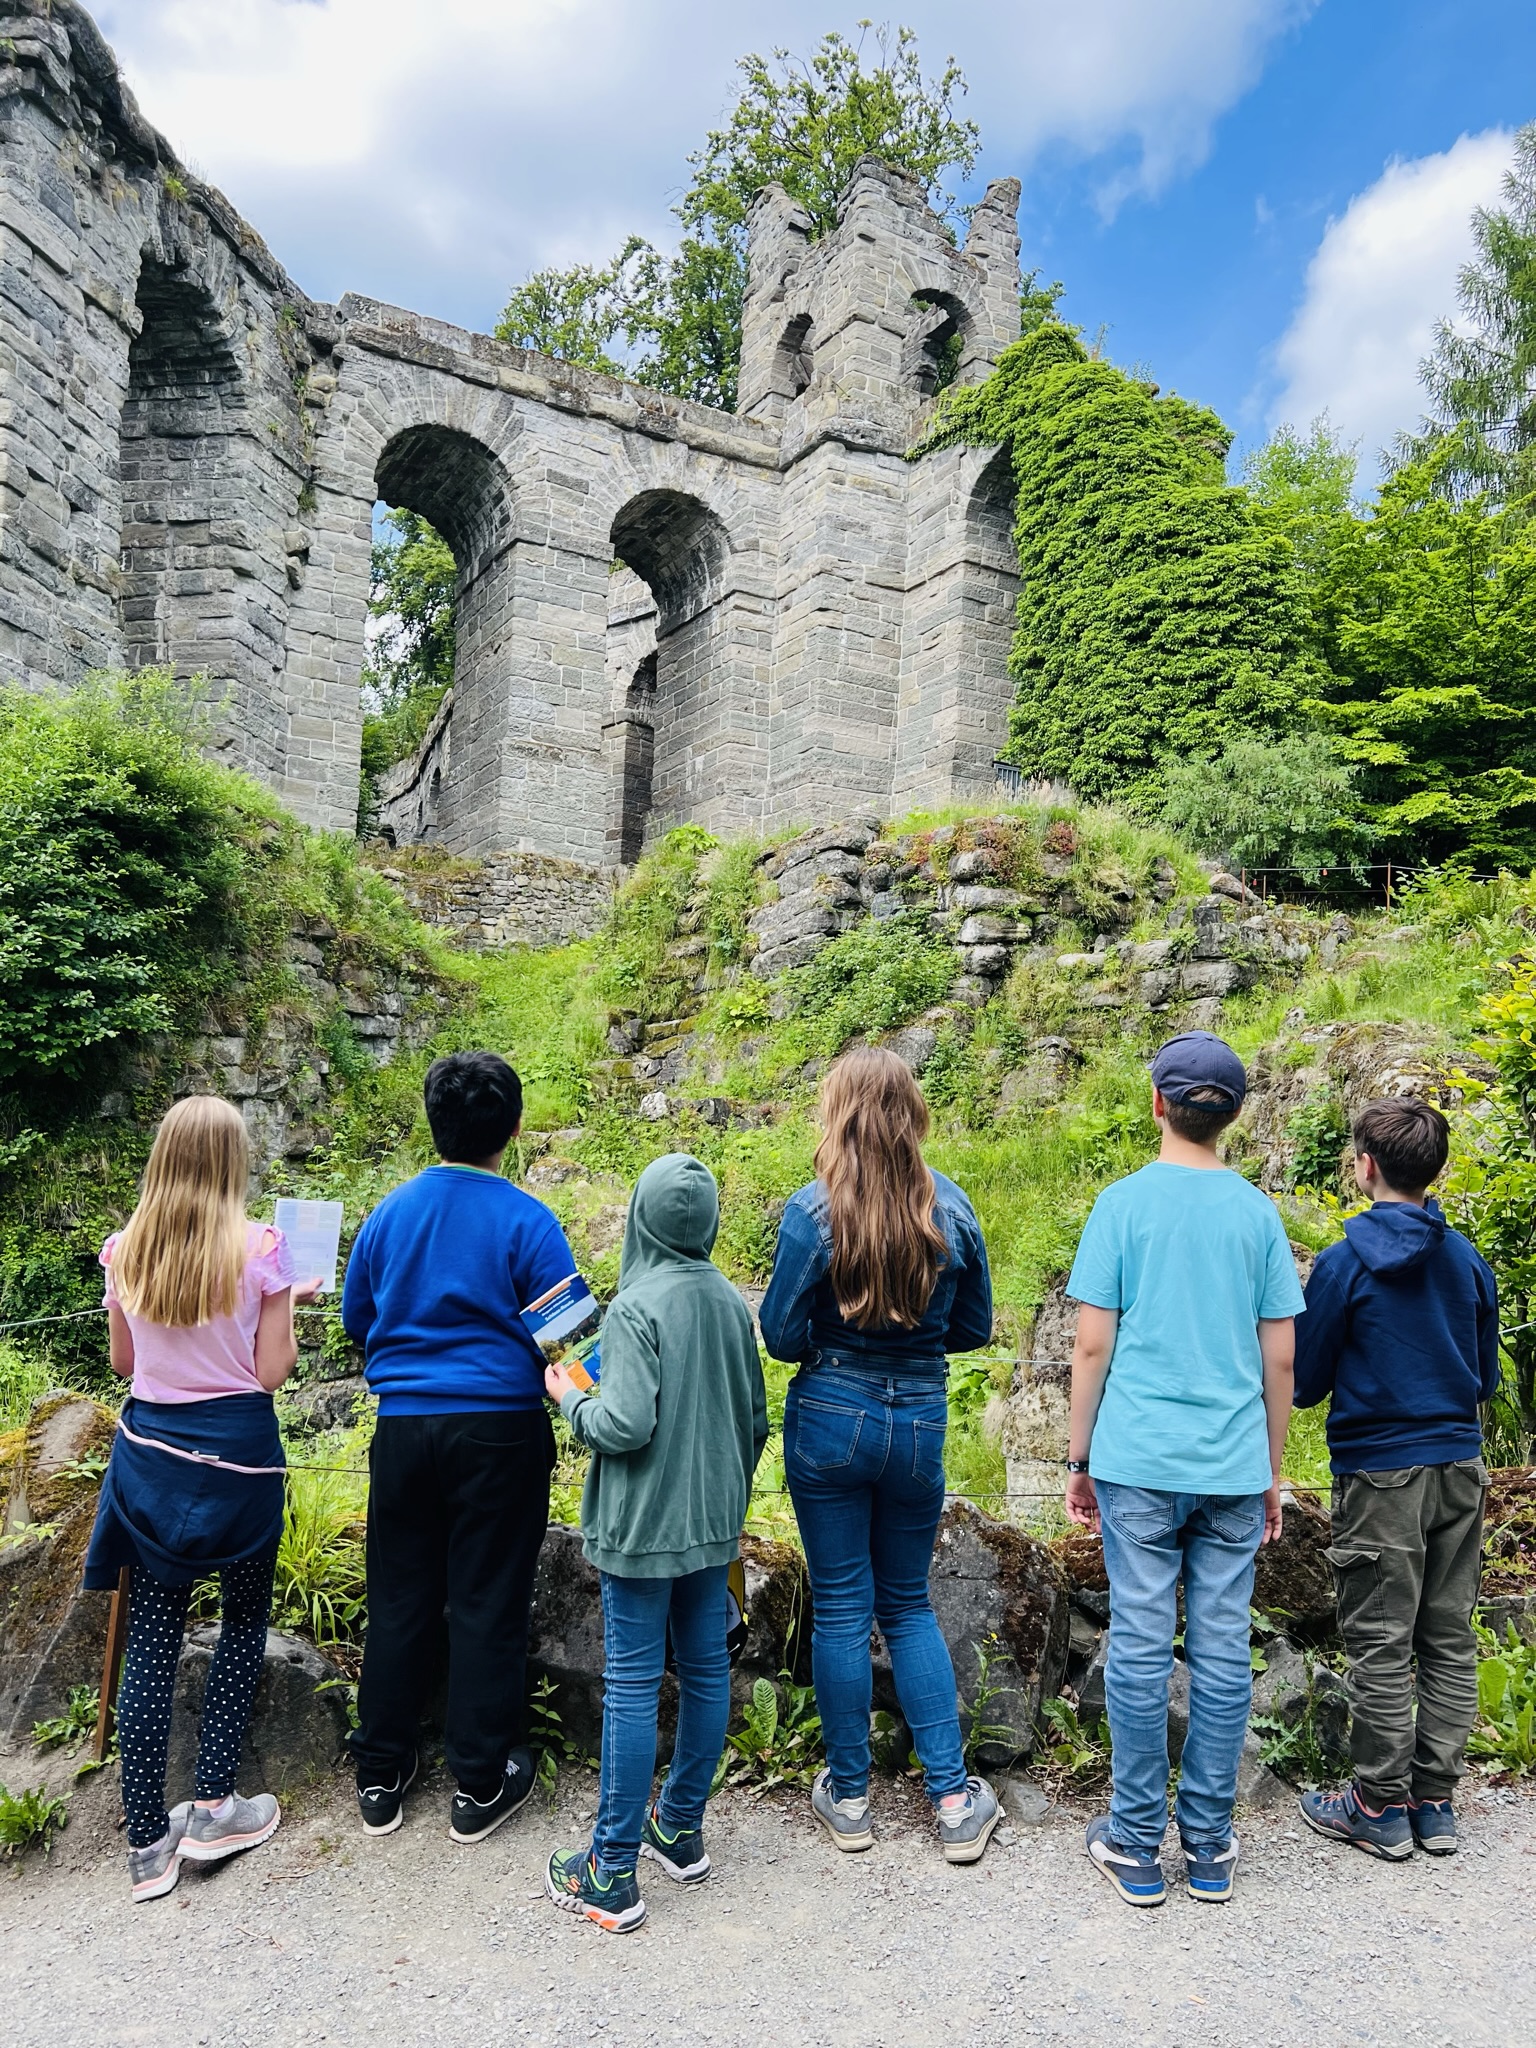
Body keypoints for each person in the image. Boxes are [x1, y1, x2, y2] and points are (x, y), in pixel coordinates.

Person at [1064, 1030, 1302, 1908]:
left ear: (1157, 1103)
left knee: (1137, 1640)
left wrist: (1080, 1457)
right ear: (1233, 1116)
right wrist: (1270, 1469)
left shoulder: (1121, 1205)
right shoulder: (1258, 1216)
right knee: (1221, 1644)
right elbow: (1281, 1358)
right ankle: (1208, 1845)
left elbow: (1093, 1345)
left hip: (1137, 1460)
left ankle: (1134, 1843)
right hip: (1233, 1464)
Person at [759, 1045, 1000, 1865]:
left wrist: (839, 1342)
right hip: (920, 1418)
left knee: (839, 1607)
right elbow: (974, 1328)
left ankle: (852, 1798)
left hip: (831, 1411)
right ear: (911, 1113)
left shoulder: (812, 1209)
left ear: (840, 1112)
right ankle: (954, 1802)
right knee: (906, 1604)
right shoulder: (952, 1206)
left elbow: (781, 1335)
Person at [85, 1095, 322, 1903]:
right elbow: (270, 1371)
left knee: (152, 1641)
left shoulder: (125, 1251)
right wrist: (285, 1303)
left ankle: (147, 1846)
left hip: (151, 1458)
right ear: (232, 1163)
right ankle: (216, 1805)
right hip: (239, 1461)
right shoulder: (262, 1249)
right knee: (243, 1624)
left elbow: (126, 1363)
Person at [342, 1050, 577, 1843]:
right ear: (515, 1128)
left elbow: (358, 1319)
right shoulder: (529, 1221)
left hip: (404, 1427)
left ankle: (380, 1774)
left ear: (432, 1122)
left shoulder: (389, 1214)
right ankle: (479, 1783)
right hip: (499, 1429)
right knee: (488, 1599)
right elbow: (572, 1342)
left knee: (398, 1596)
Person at [542, 1153, 767, 1933]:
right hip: (712, 1525)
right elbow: (754, 1421)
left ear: (640, 1218)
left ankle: (610, 1872)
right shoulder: (730, 1302)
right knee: (706, 1672)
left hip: (642, 1528)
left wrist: (571, 1399)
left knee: (634, 1686)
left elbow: (625, 1425)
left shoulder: (635, 1307)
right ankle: (679, 1828)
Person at [1293, 1097, 1499, 1861]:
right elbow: (1484, 1379)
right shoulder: (1467, 1261)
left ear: (1365, 1167)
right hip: (1461, 1465)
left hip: (1380, 1472)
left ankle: (1378, 1805)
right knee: (1448, 1634)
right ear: (1434, 1171)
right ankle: (1434, 1802)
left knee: (1381, 1640)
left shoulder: (1342, 1265)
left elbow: (1305, 1381)